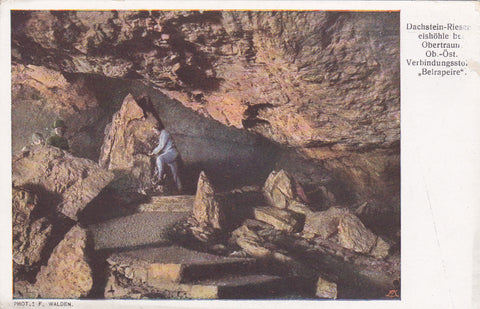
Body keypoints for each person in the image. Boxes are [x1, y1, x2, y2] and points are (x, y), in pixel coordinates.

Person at [148, 127, 182, 193]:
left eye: (154, 130)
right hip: (170, 152)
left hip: (171, 152)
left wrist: (153, 152)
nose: (154, 132)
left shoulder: (164, 133)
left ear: (158, 128)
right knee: (174, 172)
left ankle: (160, 178)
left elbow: (161, 145)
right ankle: (180, 189)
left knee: (160, 159)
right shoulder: (162, 134)